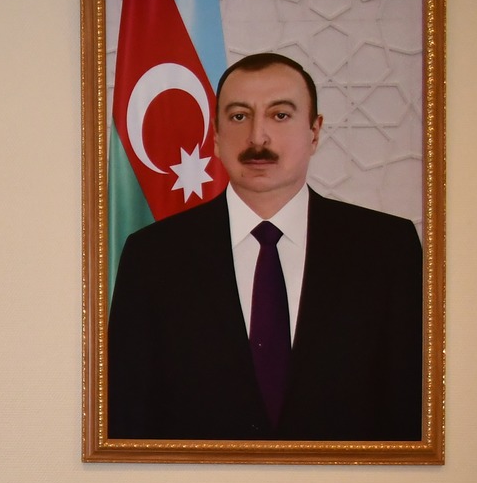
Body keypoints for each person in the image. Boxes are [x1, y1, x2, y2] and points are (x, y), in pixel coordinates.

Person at [107, 52, 423, 440]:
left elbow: (410, 411)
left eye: (280, 115)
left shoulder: (388, 249)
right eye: (239, 116)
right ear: (216, 135)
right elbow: (127, 418)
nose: (258, 137)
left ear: (315, 132)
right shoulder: (152, 257)